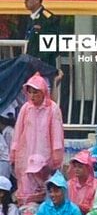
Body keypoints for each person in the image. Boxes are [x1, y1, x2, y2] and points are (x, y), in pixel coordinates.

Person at [11, 73, 64, 203]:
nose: (33, 96)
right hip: (26, 153)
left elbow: (57, 136)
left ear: (43, 92)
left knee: (44, 188)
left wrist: (56, 159)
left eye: (36, 92)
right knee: (26, 188)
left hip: (44, 155)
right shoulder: (26, 108)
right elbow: (18, 132)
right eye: (30, 92)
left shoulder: (52, 109)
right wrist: (14, 153)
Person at [67, 150, 97, 215]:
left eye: (80, 167)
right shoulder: (69, 184)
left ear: (88, 168)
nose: (76, 169)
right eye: (75, 166)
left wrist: (84, 208)